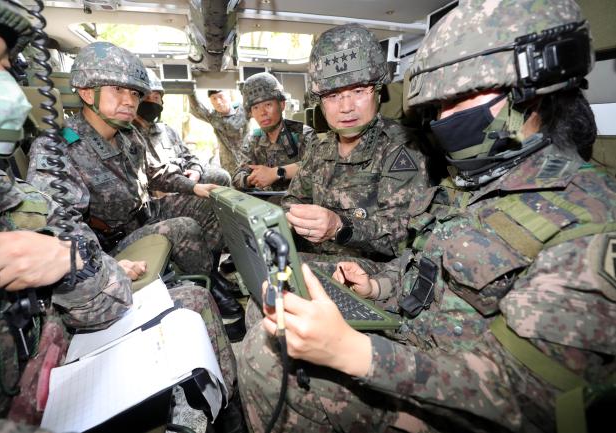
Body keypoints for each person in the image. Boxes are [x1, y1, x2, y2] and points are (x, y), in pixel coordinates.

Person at [237, 2, 616, 432]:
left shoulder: (588, 215)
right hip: (414, 329)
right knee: (270, 311)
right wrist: (378, 285)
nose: (445, 119)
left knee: (266, 357)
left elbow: (535, 396)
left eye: (461, 98)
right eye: (439, 105)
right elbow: (426, 262)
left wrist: (353, 350)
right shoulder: (473, 183)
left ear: (531, 90)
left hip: (452, 387)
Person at [0, 0, 133, 426]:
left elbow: (109, 295)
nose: (1, 80)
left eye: (5, 65)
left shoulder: (10, 201)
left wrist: (66, 263)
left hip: (55, 361)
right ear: (86, 93)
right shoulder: (57, 149)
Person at [26, 42, 243, 321]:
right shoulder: (56, 147)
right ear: (85, 92)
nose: (129, 101)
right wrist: (105, 266)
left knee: (211, 203)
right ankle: (203, 287)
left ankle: (206, 271)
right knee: (183, 227)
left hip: (145, 216)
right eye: (117, 89)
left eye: (134, 93)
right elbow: (60, 227)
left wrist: (195, 187)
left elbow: (155, 172)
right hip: (107, 246)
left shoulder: (129, 135)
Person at [281, 24, 428, 262]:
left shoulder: (402, 146)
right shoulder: (321, 147)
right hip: (318, 260)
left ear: (378, 91)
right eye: (333, 96)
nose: (346, 107)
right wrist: (293, 217)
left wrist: (340, 227)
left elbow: (402, 237)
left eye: (358, 91)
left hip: (372, 275)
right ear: (321, 101)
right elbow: (293, 200)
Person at [134, 68, 232, 193]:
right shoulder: (128, 134)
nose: (152, 102)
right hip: (158, 195)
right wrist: (190, 186)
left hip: (184, 183)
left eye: (156, 97)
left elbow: (188, 156)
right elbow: (153, 175)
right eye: (147, 98)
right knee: (213, 200)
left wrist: (195, 170)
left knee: (221, 177)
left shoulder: (168, 131)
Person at [233, 72, 319, 195]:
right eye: (255, 108)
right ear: (251, 112)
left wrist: (277, 173)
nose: (262, 112)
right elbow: (237, 176)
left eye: (268, 104)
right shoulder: (253, 139)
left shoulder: (303, 133)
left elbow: (318, 166)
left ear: (282, 105)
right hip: (266, 204)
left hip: (299, 204)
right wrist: (249, 179)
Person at [188, 89, 248, 176]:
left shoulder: (242, 111)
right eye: (214, 98)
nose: (218, 102)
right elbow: (196, 108)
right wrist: (190, 91)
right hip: (229, 168)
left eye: (221, 96)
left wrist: (243, 87)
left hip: (249, 164)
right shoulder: (213, 116)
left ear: (228, 96)